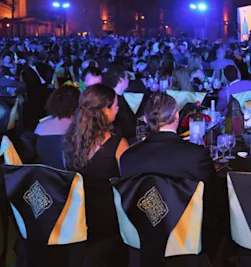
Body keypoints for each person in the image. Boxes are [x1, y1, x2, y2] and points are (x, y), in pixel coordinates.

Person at [118, 93, 220, 258]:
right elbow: (211, 198)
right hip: (186, 235)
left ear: (145, 119)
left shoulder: (127, 158)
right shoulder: (196, 155)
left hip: (141, 235)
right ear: (177, 116)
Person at [63, 84, 129, 266]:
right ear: (104, 111)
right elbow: (128, 185)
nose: (118, 108)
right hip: (110, 221)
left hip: (77, 215)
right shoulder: (118, 145)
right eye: (115, 105)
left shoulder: (69, 141)